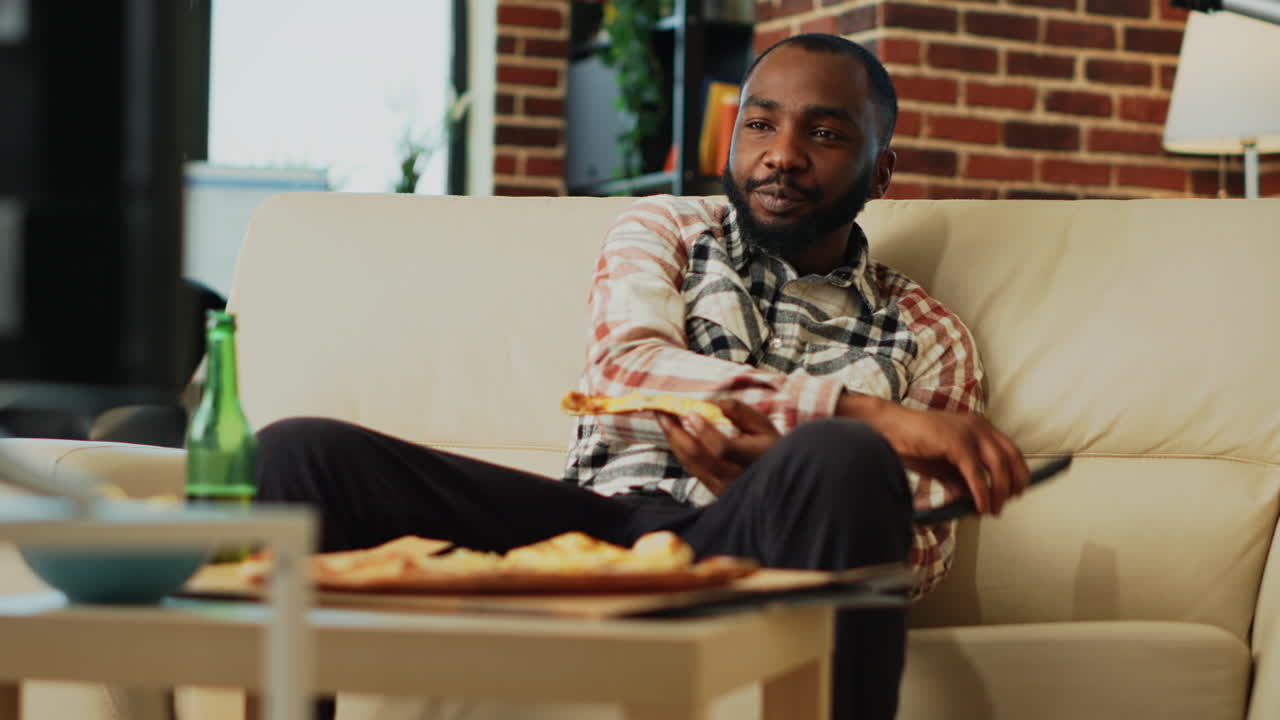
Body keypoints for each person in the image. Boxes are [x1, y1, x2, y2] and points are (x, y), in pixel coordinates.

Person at [256, 33, 1029, 720]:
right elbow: (626, 366)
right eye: (759, 123)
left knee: (839, 458)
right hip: (593, 532)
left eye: (824, 133)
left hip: (753, 555)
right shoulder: (664, 229)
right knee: (300, 454)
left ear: (881, 169)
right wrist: (873, 416)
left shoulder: (930, 335)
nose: (782, 153)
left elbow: (917, 560)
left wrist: (785, 482)